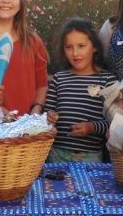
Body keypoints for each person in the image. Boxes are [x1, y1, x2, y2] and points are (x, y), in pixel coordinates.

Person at [44, 19, 117, 163]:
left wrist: (92, 127)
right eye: (69, 47)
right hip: (57, 155)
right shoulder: (59, 79)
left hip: (92, 157)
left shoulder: (108, 80)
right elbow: (47, 114)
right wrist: (49, 117)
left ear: (94, 47)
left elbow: (114, 123)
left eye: (81, 46)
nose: (75, 53)